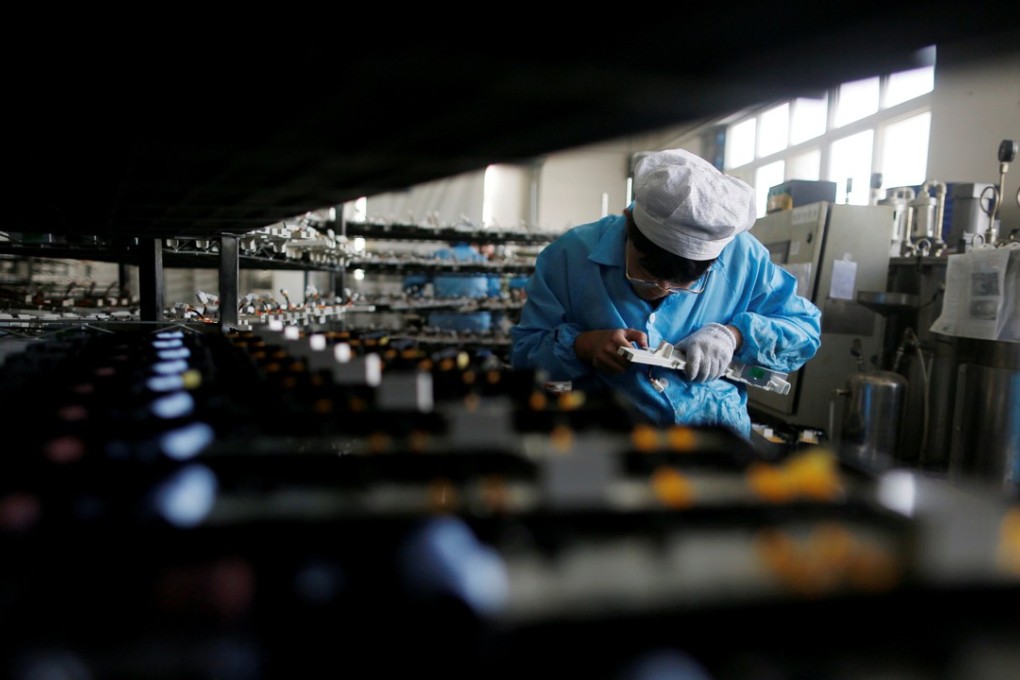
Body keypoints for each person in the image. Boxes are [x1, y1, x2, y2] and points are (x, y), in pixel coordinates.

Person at [509, 148, 822, 437]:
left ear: (717, 257)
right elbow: (524, 355)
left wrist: (734, 335)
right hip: (601, 439)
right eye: (647, 274)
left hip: (711, 444)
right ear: (629, 225)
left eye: (682, 285)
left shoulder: (744, 258)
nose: (660, 289)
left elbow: (804, 331)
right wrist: (581, 345)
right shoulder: (568, 256)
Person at [403, 241, 502, 332]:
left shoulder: (438, 256)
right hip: (477, 325)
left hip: (441, 324)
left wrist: (425, 312)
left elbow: (411, 287)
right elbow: (495, 296)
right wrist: (494, 323)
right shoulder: (482, 260)